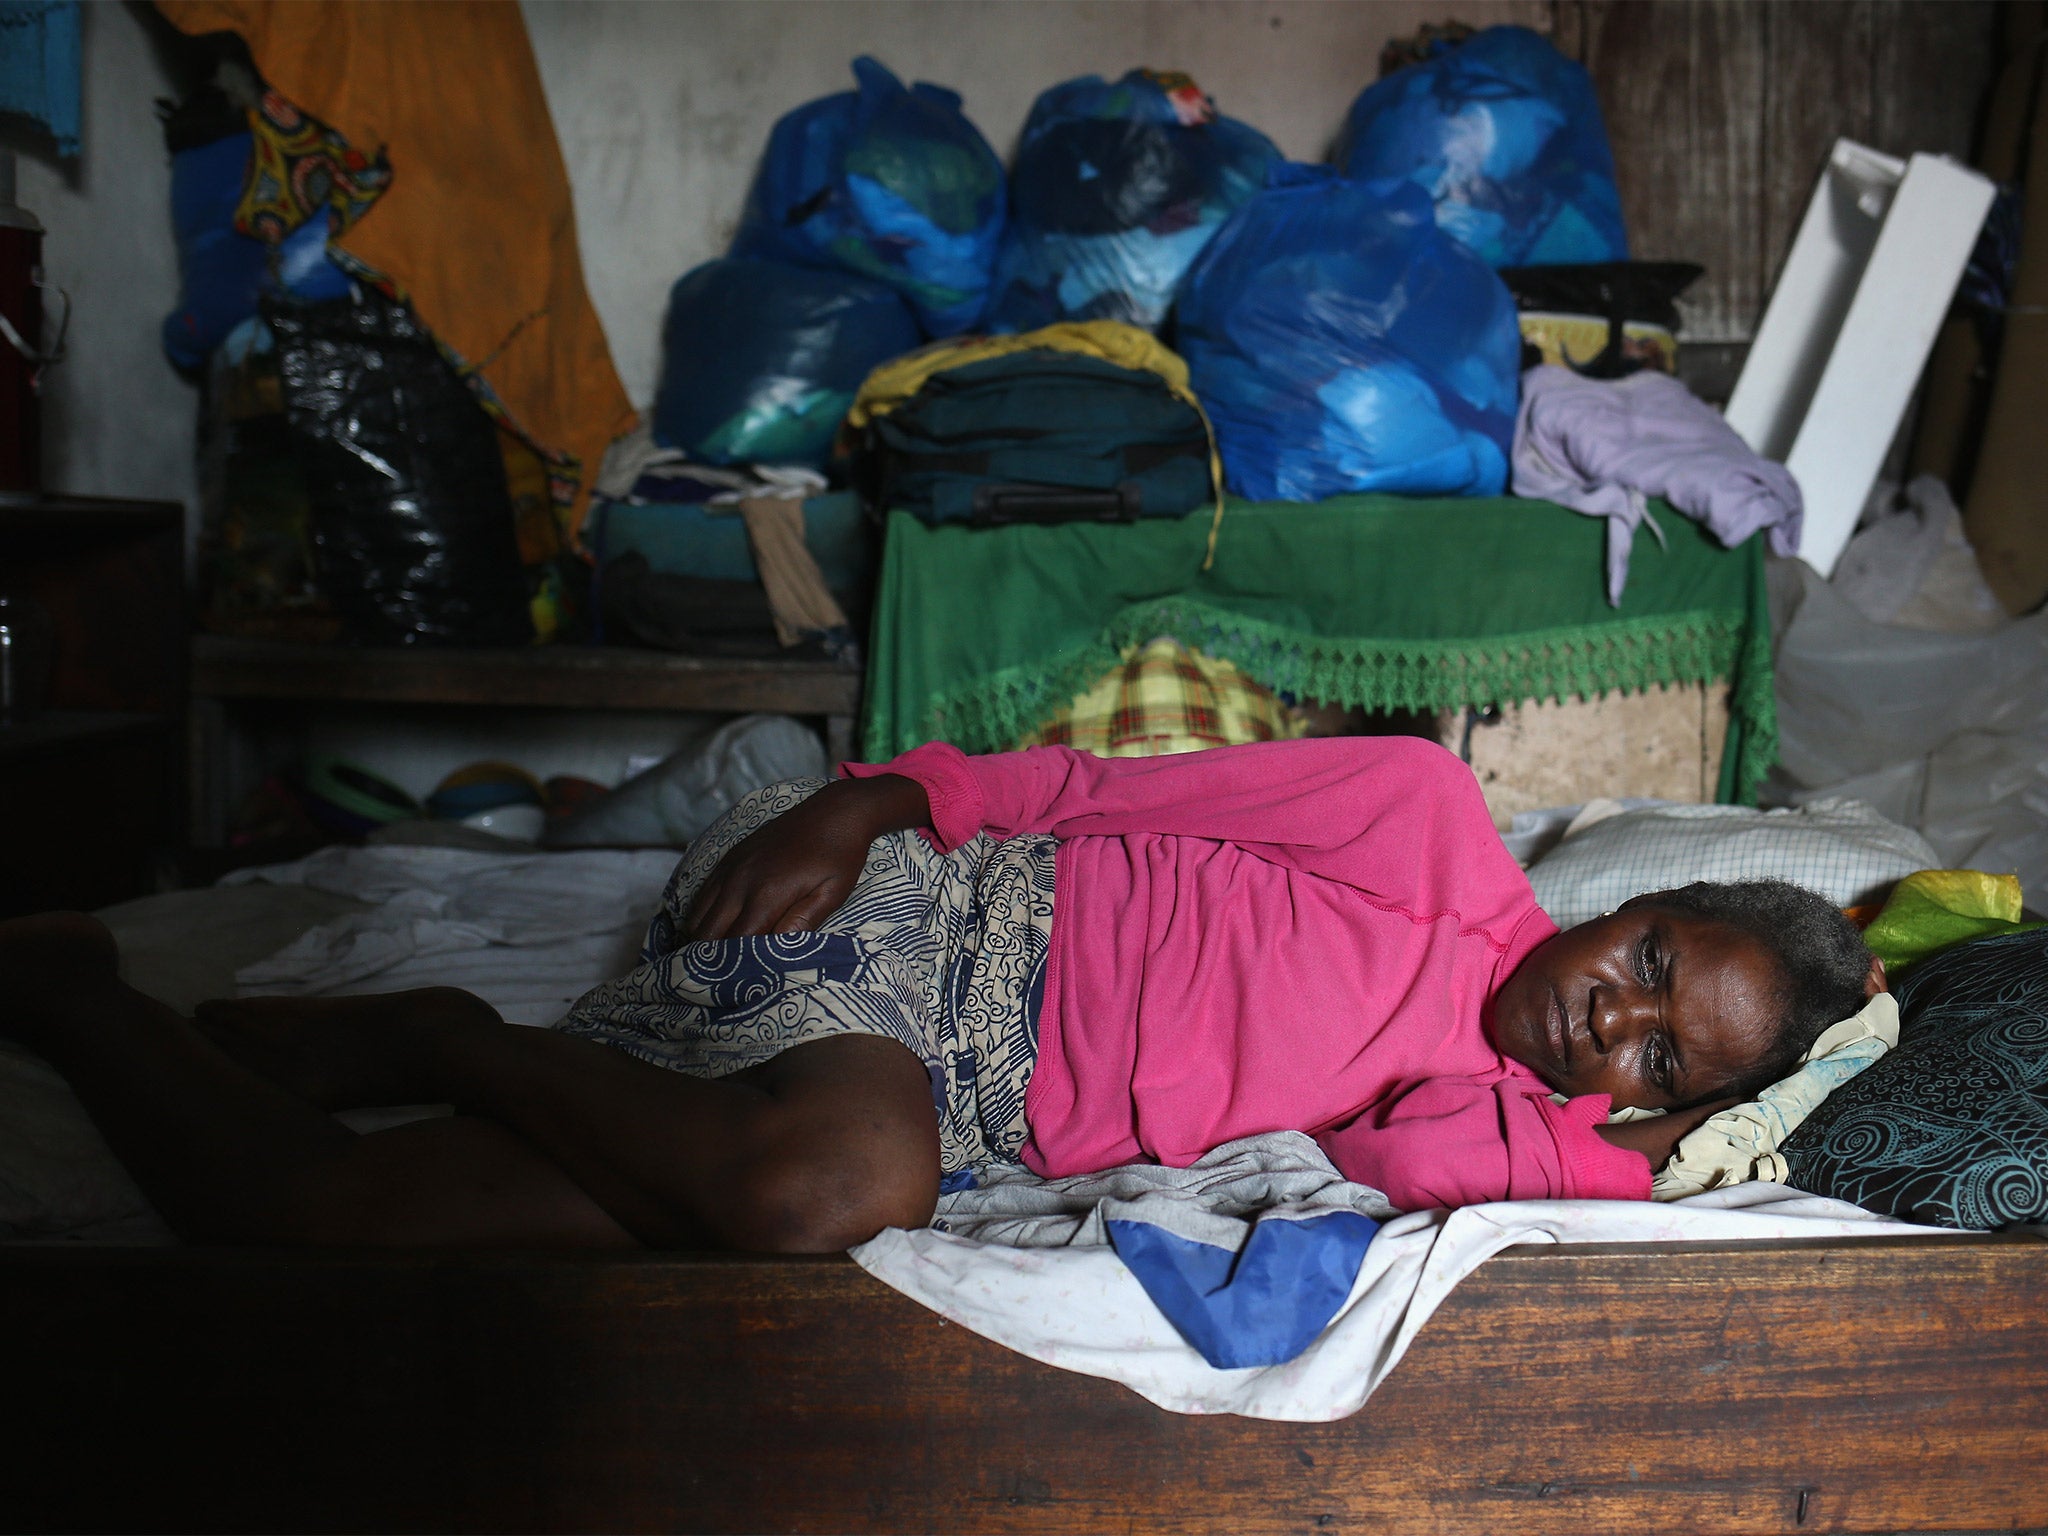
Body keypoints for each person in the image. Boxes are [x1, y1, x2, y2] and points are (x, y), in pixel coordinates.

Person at [1, 737, 1883, 1251]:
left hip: (946, 1106)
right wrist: (870, 799)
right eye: (1642, 969)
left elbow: (1421, 1180)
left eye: (1654, 1057)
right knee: (832, 1197)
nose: (1606, 1027)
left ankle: (70, 989)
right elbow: (1087, 788)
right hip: (922, 930)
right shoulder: (1416, 820)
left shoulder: (1498, 1116)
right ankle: (437, 1037)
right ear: (1626, 905)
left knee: (313, 1217)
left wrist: (1663, 1139)